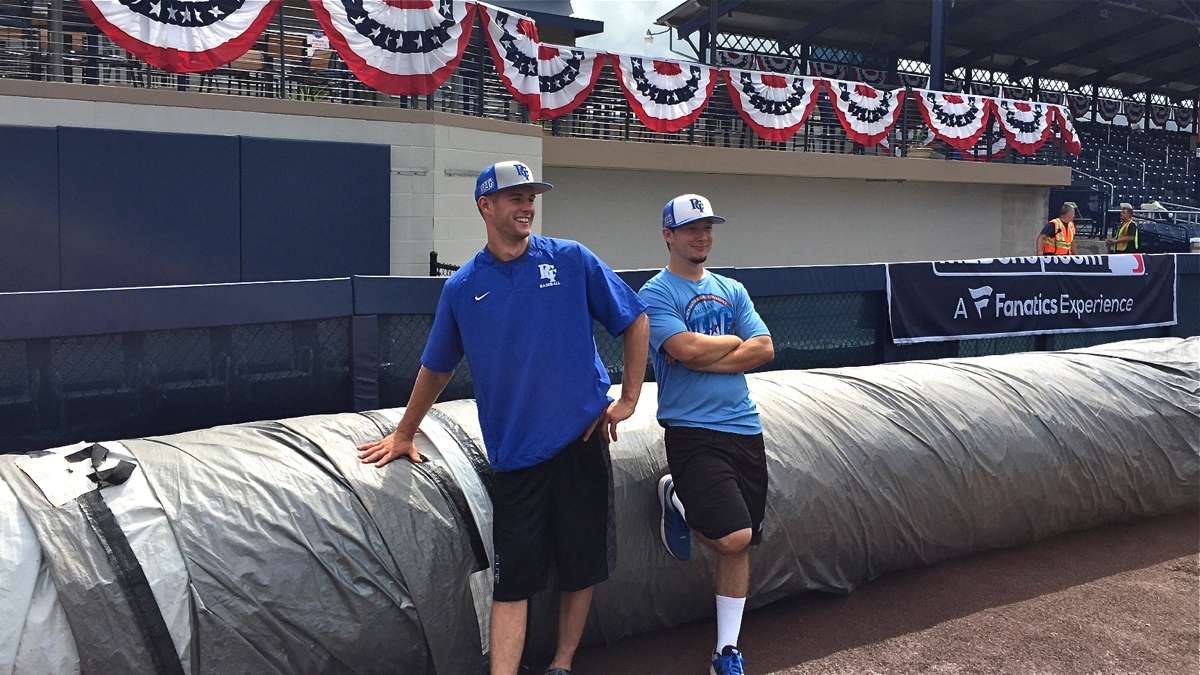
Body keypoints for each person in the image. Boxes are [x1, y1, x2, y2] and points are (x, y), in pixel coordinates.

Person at [357, 160, 649, 675]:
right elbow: (436, 367)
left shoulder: (571, 259)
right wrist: (404, 432)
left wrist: (627, 399)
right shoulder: (464, 287)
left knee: (581, 567)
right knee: (512, 580)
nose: (527, 205)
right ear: (485, 206)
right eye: (515, 197)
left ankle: (561, 664)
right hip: (516, 459)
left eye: (531, 196)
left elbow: (634, 317)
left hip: (581, 443)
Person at [639, 194, 775, 675]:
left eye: (707, 228)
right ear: (668, 235)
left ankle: (725, 651)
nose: (702, 236)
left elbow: (764, 348)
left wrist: (713, 353)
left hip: (743, 426)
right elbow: (682, 348)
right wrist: (730, 343)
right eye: (691, 229)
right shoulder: (655, 294)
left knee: (742, 542)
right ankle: (680, 496)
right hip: (692, 430)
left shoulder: (732, 288)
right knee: (734, 535)